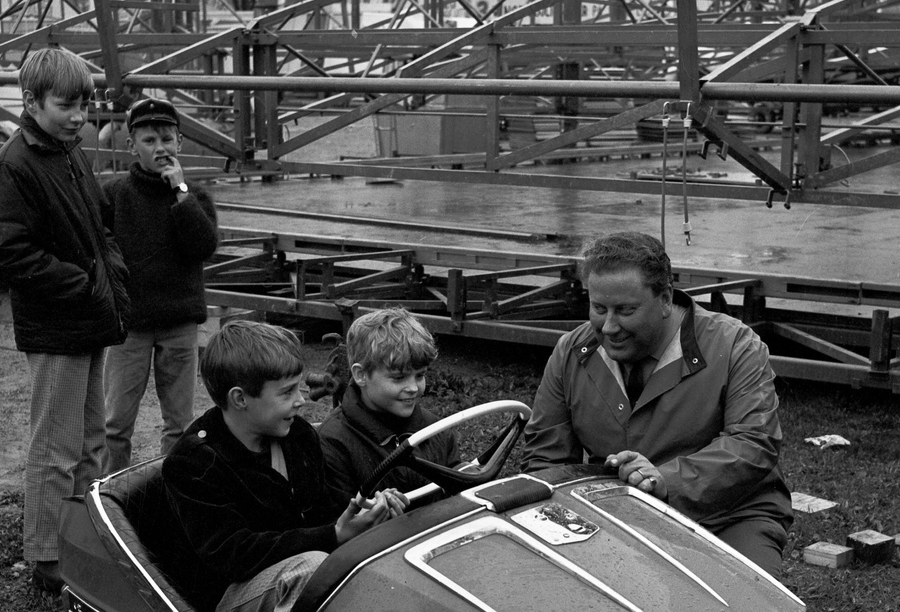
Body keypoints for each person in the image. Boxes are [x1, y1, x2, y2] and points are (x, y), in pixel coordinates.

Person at [520, 231, 793, 579]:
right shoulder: (571, 352)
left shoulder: (735, 345)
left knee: (749, 610)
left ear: (665, 299)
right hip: (613, 517)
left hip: (727, 516)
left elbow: (754, 444)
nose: (608, 326)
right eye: (598, 308)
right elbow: (546, 459)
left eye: (626, 310)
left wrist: (665, 480)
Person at [0, 47, 129, 595]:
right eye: (67, 105)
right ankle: (47, 555)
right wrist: (82, 283)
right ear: (32, 102)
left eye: (84, 106)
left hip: (88, 318)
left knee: (90, 442)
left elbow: (99, 225)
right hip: (58, 324)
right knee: (55, 448)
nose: (78, 117)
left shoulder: (67, 152)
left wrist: (108, 275)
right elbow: (8, 252)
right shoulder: (16, 164)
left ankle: (87, 540)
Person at [163, 320, 405, 612]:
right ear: (240, 398)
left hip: (295, 577)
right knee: (310, 571)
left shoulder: (297, 435)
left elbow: (323, 505)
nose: (301, 400)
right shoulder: (194, 462)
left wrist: (366, 511)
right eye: (287, 392)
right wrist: (332, 535)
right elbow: (233, 554)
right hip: (226, 607)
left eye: (299, 387)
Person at [102, 97, 219, 474]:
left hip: (179, 324)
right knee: (115, 424)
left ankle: (173, 492)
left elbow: (203, 246)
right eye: (149, 140)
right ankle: (110, 492)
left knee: (180, 425)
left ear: (180, 143)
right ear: (130, 146)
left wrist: (180, 191)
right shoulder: (114, 196)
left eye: (167, 139)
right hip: (130, 327)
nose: (160, 148)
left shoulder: (195, 196)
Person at [318, 308, 459, 502]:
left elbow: (460, 488)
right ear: (361, 375)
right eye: (399, 378)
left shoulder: (436, 431)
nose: (413, 388)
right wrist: (373, 513)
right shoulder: (334, 442)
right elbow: (341, 521)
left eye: (420, 375)